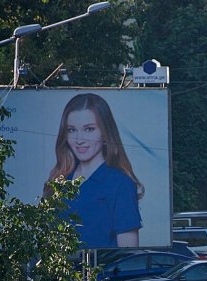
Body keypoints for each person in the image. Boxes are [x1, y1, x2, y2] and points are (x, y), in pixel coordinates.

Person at [46, 93, 143, 248]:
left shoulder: (120, 184)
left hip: (103, 272)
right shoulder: (59, 181)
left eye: (89, 129)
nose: (79, 139)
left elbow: (128, 254)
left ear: (105, 133)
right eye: (71, 130)